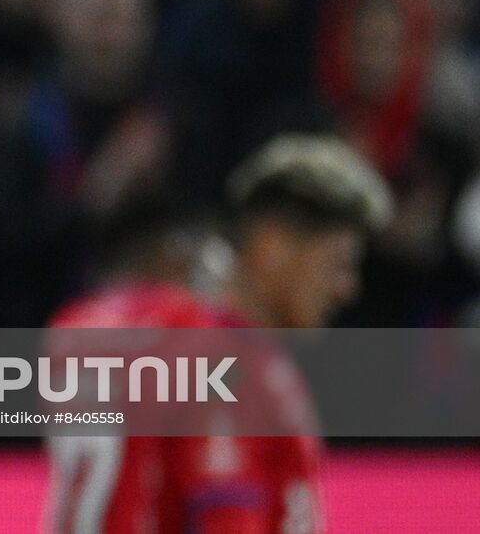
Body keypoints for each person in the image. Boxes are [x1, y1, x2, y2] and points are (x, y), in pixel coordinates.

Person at [45, 135, 391, 534]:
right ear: (272, 245)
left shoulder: (99, 326)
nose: (347, 288)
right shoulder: (236, 373)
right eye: (336, 263)